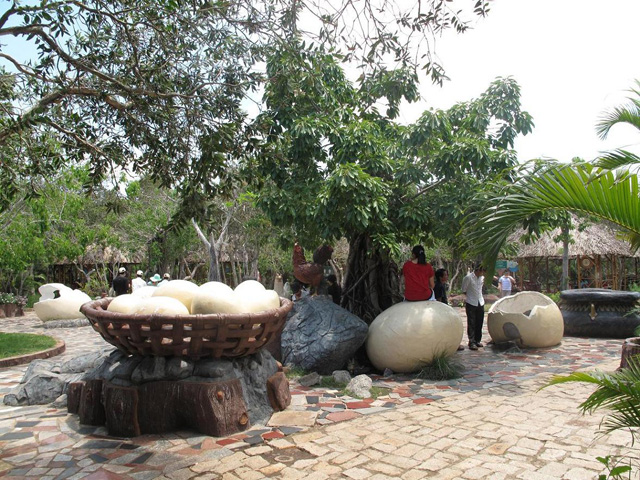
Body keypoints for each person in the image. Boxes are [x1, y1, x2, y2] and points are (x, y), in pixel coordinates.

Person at [462, 264, 486, 350]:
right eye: (482, 271)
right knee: (471, 322)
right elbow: (464, 290)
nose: (483, 273)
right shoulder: (468, 278)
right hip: (471, 302)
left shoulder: (482, 278)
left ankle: (477, 340)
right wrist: (468, 297)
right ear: (478, 270)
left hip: (480, 301)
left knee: (479, 321)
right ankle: (471, 341)